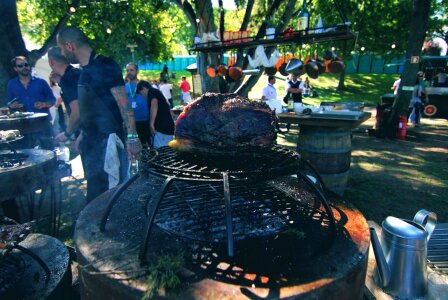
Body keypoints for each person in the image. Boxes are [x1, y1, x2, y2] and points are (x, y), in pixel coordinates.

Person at [57, 26, 142, 202]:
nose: (62, 53)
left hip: (107, 145)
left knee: (111, 198)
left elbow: (124, 106)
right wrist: (82, 134)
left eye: (61, 48)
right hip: (91, 146)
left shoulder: (105, 65)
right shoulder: (84, 72)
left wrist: (132, 137)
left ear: (69, 46)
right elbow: (89, 110)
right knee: (95, 197)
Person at [7, 56, 55, 148]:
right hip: (23, 126)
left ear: (30, 66)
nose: (24, 67)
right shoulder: (11, 84)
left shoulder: (41, 82)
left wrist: (44, 104)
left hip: (42, 123)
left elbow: (52, 99)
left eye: (26, 64)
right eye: (20, 66)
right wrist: (11, 105)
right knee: (27, 153)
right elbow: (9, 102)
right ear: (15, 68)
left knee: (49, 150)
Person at [136, 80, 175, 148]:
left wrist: (151, 123)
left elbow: (154, 104)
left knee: (161, 151)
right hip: (167, 129)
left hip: (162, 130)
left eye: (141, 93)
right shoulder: (157, 92)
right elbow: (171, 112)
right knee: (166, 150)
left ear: (144, 88)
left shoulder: (152, 91)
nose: (143, 96)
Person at [125, 62, 150, 145]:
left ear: (137, 71)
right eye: (127, 70)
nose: (129, 72)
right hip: (130, 122)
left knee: (145, 145)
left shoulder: (144, 85)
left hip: (144, 120)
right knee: (132, 145)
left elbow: (153, 99)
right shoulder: (124, 86)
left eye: (131, 70)